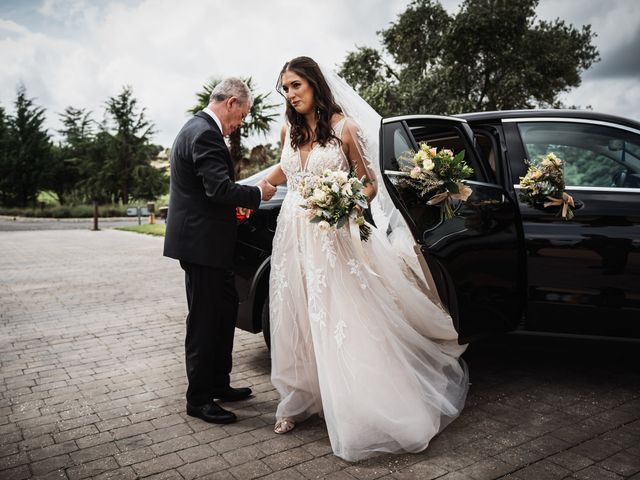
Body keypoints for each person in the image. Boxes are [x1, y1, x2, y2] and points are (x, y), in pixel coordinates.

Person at [263, 57, 469, 461]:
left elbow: (369, 184)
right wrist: (259, 188)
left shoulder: (345, 128)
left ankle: (359, 405)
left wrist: (347, 203)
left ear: (314, 85)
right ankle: (298, 399)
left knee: (340, 313)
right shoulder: (288, 128)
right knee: (295, 312)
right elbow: (288, 170)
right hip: (292, 232)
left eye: (296, 85)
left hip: (331, 233)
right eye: (285, 88)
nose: (291, 94)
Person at [163, 77, 276, 424]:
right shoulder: (205, 134)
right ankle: (198, 398)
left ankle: (219, 384)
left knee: (225, 311)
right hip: (202, 247)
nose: (240, 123)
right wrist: (257, 194)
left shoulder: (197, 129)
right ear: (230, 103)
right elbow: (218, 189)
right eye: (242, 115)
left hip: (210, 245)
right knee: (204, 321)